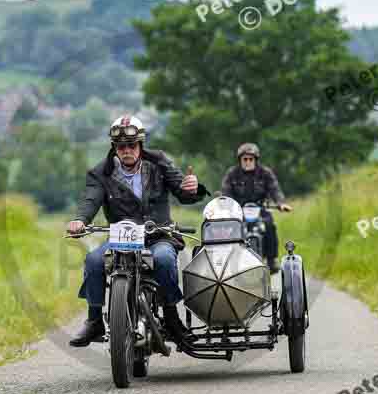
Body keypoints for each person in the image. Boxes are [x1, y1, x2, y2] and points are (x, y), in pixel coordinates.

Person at [67, 115, 209, 347]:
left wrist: (192, 188)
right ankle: (94, 321)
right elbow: (90, 199)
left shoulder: (159, 163)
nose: (127, 150)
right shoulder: (100, 172)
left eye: (131, 145)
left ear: (140, 145)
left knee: (163, 259)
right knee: (93, 260)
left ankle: (171, 318)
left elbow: (183, 193)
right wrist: (79, 220)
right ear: (114, 148)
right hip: (120, 239)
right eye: (121, 146)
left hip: (158, 236)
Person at [221, 143, 292, 273]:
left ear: (255, 160)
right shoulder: (232, 174)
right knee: (229, 227)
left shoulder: (265, 173)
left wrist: (281, 203)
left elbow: (275, 189)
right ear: (240, 160)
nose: (248, 162)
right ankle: (226, 262)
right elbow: (226, 192)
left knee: (270, 225)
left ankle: (271, 260)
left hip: (260, 209)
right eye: (245, 159)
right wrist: (226, 205)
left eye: (250, 159)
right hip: (238, 210)